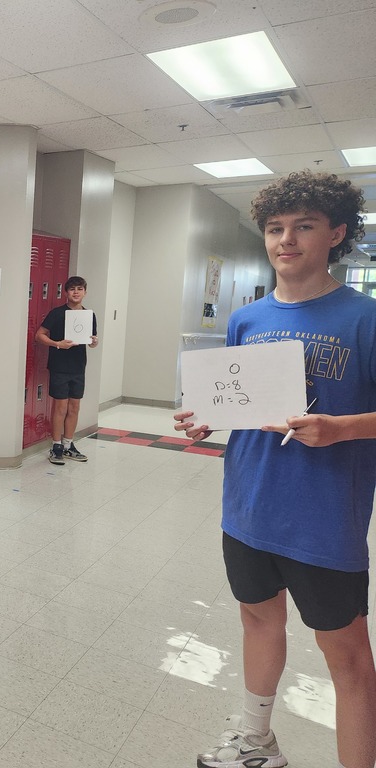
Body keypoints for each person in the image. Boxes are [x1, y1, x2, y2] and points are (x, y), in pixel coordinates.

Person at [175, 170, 376, 768]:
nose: (286, 239)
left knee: (348, 660)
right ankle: (256, 741)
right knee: (259, 619)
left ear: (335, 233)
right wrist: (210, 417)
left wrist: (342, 427)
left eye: (304, 227)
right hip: (248, 505)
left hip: (323, 518)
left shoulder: (364, 319)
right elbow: (243, 401)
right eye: (275, 228)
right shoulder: (247, 319)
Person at [34, 276, 98, 465]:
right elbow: (39, 335)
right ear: (66, 292)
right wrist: (57, 344)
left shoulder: (89, 315)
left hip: (78, 367)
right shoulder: (57, 313)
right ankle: (56, 446)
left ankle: (69, 445)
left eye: (79, 289)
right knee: (60, 407)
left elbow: (91, 341)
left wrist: (95, 342)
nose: (76, 292)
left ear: (85, 292)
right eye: (72, 289)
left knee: (74, 407)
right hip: (60, 366)